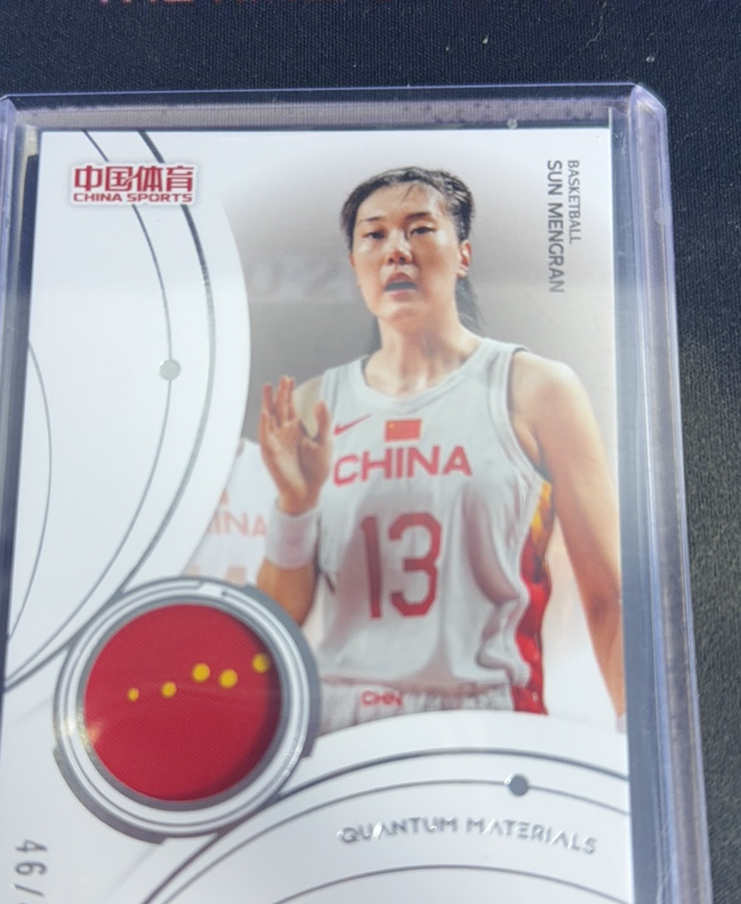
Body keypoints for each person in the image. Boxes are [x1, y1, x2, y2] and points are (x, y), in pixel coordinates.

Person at [257, 167, 623, 734]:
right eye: (374, 235)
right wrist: (295, 507)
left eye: (420, 229)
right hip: (342, 725)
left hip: (487, 714)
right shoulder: (314, 404)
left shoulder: (536, 388)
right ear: (355, 265)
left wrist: (633, 743)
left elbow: (609, 595)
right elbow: (279, 620)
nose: (396, 250)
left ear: (463, 255)